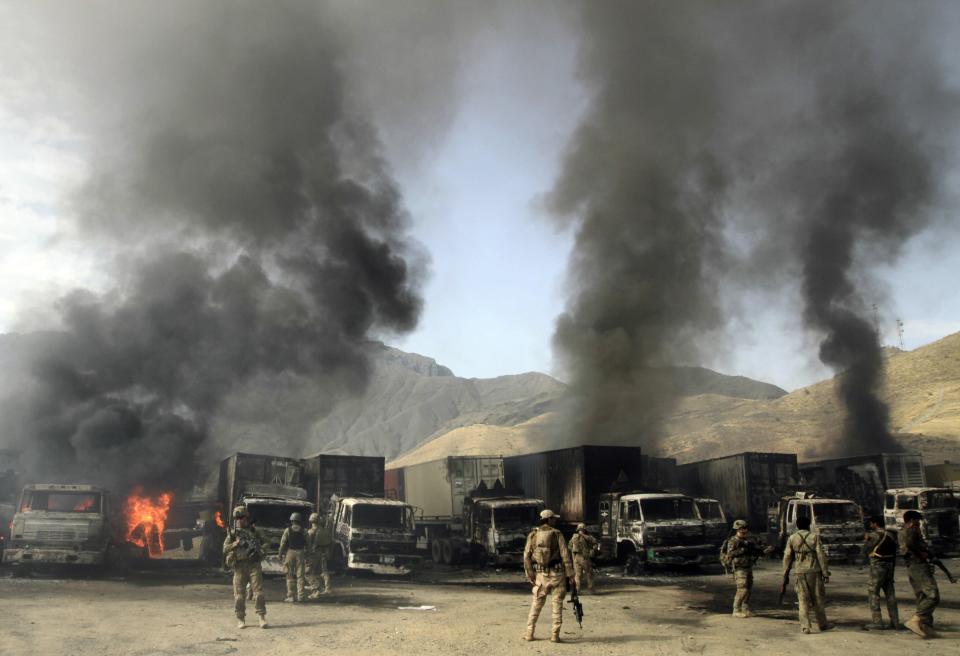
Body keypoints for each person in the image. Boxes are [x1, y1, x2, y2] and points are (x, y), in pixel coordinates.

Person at [522, 509, 575, 643]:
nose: (555, 520)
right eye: (553, 518)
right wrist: (570, 575)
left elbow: (526, 556)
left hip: (540, 575)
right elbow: (565, 555)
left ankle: (529, 634)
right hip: (557, 575)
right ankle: (554, 636)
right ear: (549, 520)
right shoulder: (557, 534)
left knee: (536, 605)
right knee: (557, 606)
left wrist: (530, 574)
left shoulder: (533, 535)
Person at [781, 515, 831, 634]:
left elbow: (787, 556)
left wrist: (785, 574)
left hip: (799, 571)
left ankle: (805, 627)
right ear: (809, 525)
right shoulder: (814, 537)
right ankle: (823, 625)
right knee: (818, 599)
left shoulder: (792, 538)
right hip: (814, 571)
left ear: (797, 525)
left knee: (802, 599)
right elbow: (821, 555)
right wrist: (825, 572)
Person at [222, 505, 267, 629]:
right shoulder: (232, 533)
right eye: (236, 518)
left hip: (254, 565)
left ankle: (261, 617)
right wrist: (235, 544)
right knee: (239, 596)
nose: (239, 520)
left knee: (259, 594)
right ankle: (240, 619)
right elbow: (224, 548)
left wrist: (261, 551)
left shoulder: (254, 531)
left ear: (246, 518)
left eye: (241, 517)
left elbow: (266, 542)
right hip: (239, 566)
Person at [899, 509, 941, 638]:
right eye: (917, 520)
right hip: (918, 565)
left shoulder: (902, 531)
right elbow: (911, 544)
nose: (919, 523)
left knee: (922, 596)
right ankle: (917, 619)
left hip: (912, 566)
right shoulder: (911, 529)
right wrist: (921, 554)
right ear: (912, 520)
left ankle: (926, 626)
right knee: (933, 595)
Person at [724, 519, 770, 618]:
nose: (745, 531)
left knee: (748, 588)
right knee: (742, 589)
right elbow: (730, 553)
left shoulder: (746, 541)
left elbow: (755, 552)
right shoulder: (733, 540)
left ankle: (745, 608)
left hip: (748, 566)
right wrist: (743, 549)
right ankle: (736, 610)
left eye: (745, 528)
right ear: (737, 529)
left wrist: (764, 551)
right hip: (739, 568)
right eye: (742, 529)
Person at [861, 515, 899, 630]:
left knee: (873, 592)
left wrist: (866, 540)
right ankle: (895, 621)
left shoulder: (874, 535)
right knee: (890, 594)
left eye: (871, 523)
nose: (870, 525)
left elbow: (864, 550)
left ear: (875, 523)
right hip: (890, 565)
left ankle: (877, 622)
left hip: (878, 566)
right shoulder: (891, 535)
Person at [279, 512, 308, 603]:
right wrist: (307, 554)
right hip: (300, 552)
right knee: (301, 575)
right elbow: (308, 543)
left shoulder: (287, 530)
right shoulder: (304, 531)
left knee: (290, 575)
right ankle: (301, 596)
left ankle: (291, 596)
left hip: (290, 552)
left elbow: (283, 543)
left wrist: (280, 553)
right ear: (299, 521)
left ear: (292, 521)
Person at [306, 511, 332, 597]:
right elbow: (330, 542)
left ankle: (316, 589)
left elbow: (308, 544)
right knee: (322, 571)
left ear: (311, 521)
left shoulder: (311, 532)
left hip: (313, 554)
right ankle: (326, 589)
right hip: (323, 552)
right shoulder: (325, 531)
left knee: (308, 572)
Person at [568, 523, 598, 593]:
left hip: (576, 558)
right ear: (584, 529)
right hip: (584, 557)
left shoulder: (574, 537)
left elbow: (569, 546)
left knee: (578, 575)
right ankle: (591, 589)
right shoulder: (588, 537)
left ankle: (577, 590)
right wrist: (592, 550)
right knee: (589, 572)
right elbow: (595, 544)